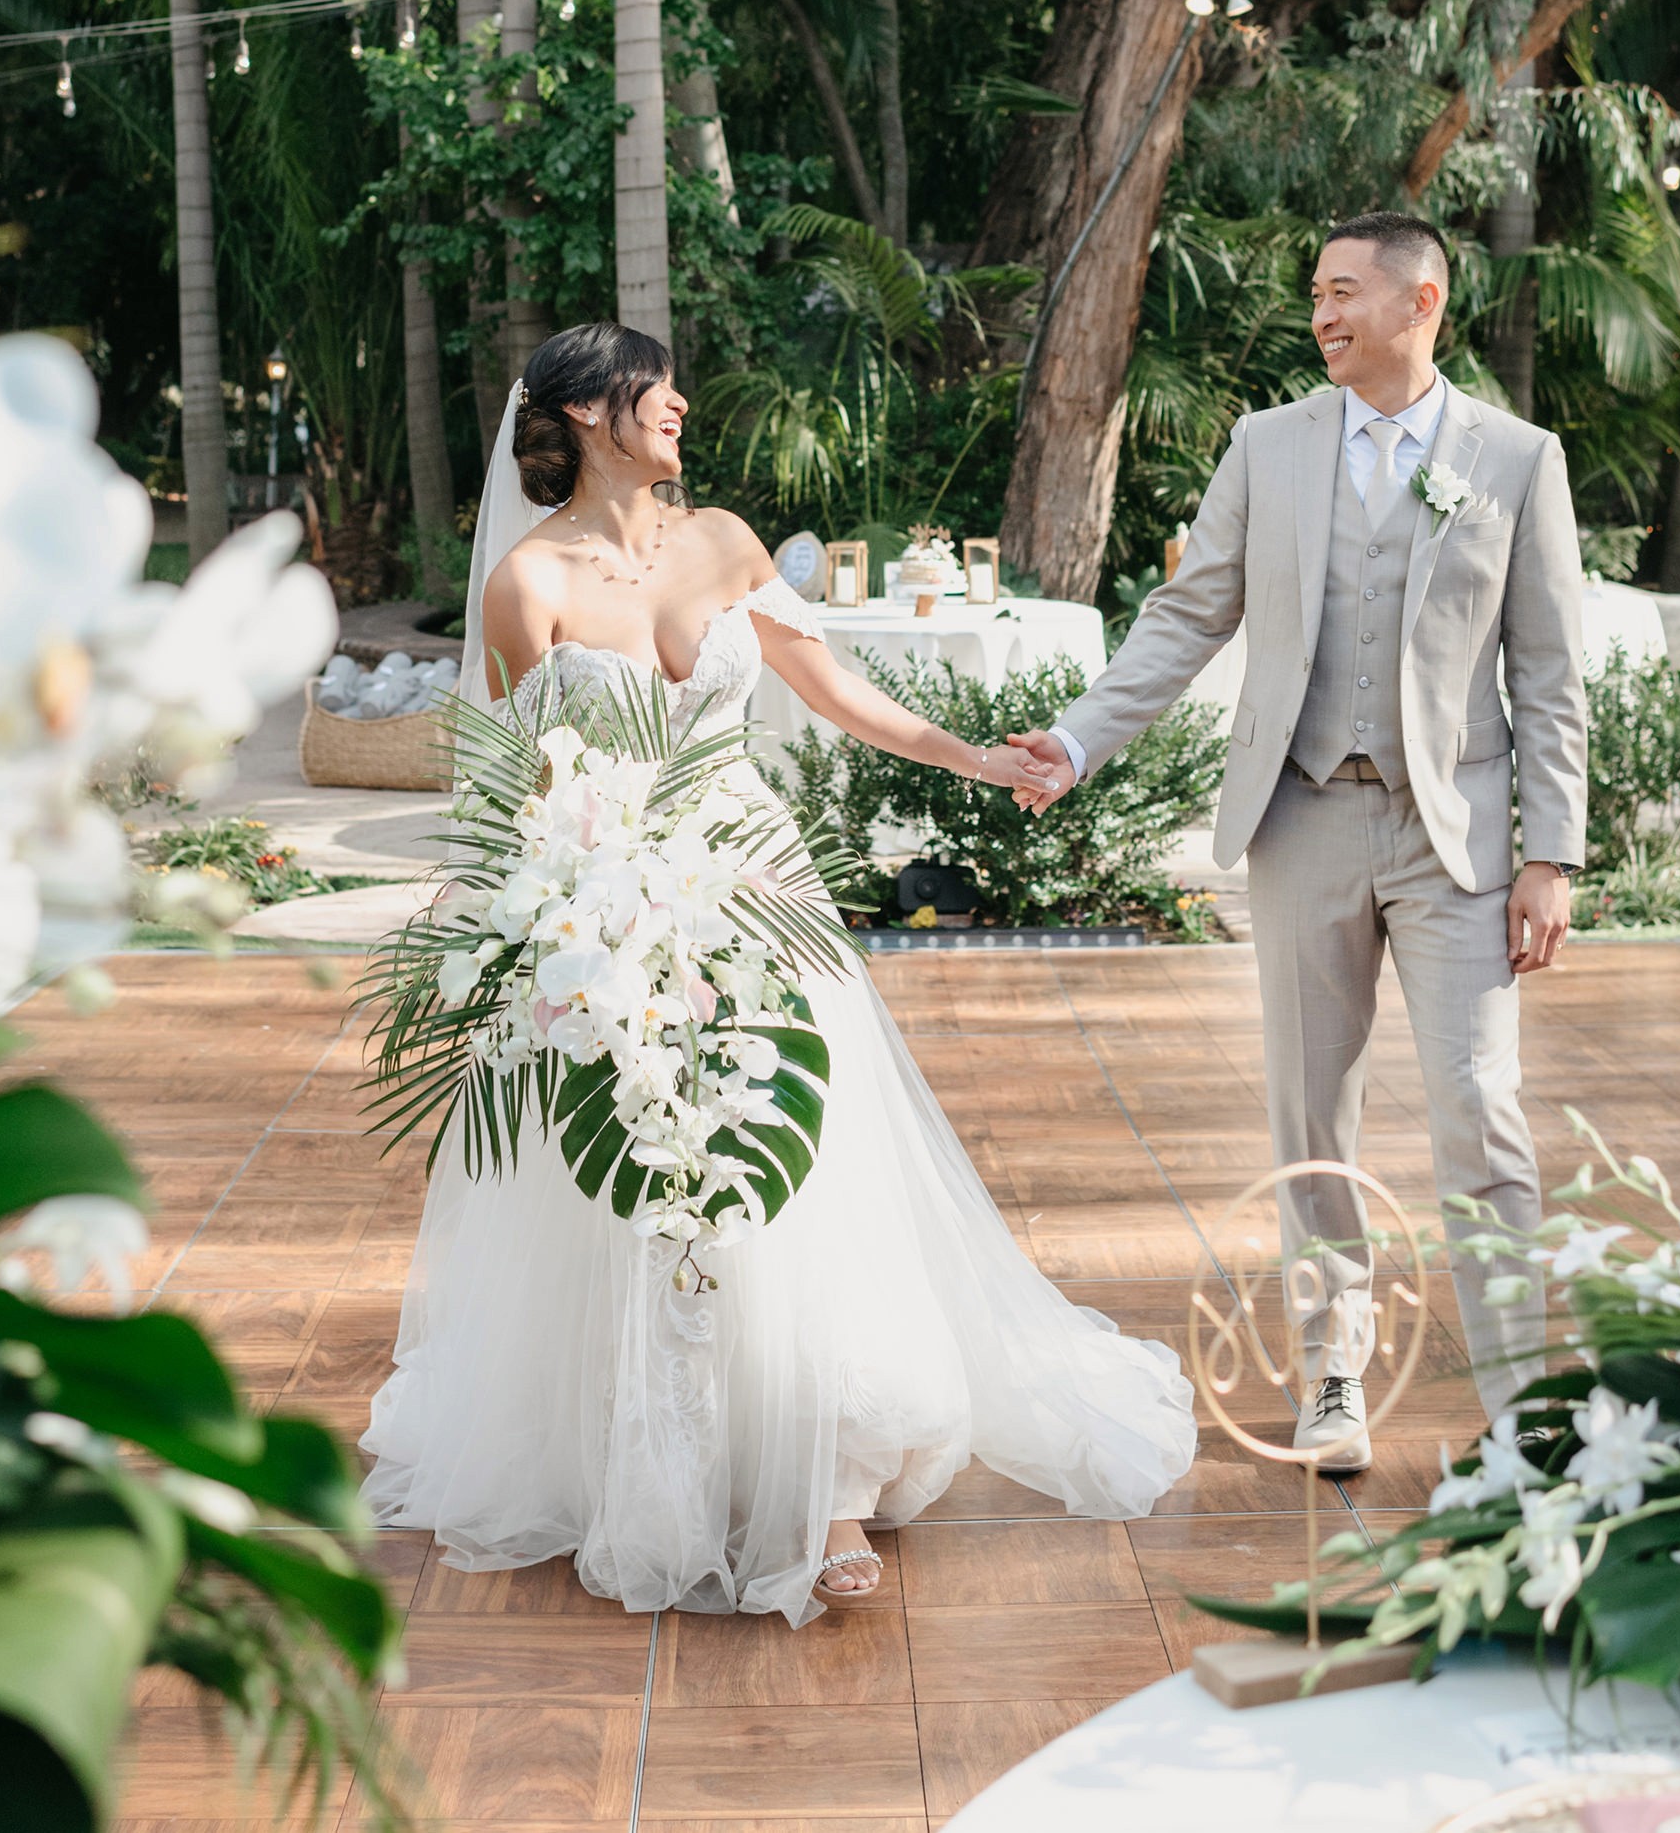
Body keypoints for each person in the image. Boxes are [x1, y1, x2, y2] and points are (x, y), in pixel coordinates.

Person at [363, 321, 1196, 1622]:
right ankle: (671, 1455)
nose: (679, 400)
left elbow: (837, 690)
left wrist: (981, 756)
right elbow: (527, 785)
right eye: (653, 384)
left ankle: (832, 1480)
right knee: (649, 1178)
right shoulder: (524, 584)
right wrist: (540, 928)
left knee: (806, 1160)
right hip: (620, 909)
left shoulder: (726, 542)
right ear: (585, 410)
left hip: (758, 888)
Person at [1008, 212, 1586, 1456]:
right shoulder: (1267, 445)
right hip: (1304, 815)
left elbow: (1549, 671)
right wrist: (1078, 737)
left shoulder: (1518, 457)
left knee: (1480, 1109)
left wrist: (1553, 853)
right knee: (1310, 1114)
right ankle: (1332, 1374)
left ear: (1420, 299)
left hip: (1460, 837)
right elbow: (1187, 611)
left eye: (1342, 292)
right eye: (1314, 292)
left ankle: (1526, 1406)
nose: (1319, 313)